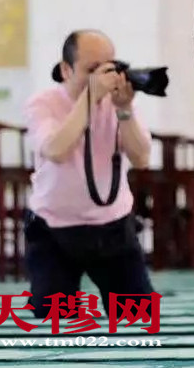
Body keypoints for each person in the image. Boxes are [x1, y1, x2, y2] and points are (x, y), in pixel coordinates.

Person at [24, 29, 154, 319]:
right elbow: (56, 149)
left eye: (109, 67)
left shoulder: (118, 103)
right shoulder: (43, 103)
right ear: (66, 70)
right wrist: (89, 99)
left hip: (113, 227)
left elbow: (141, 158)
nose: (103, 77)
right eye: (92, 69)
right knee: (53, 317)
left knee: (137, 316)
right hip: (54, 229)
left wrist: (124, 109)